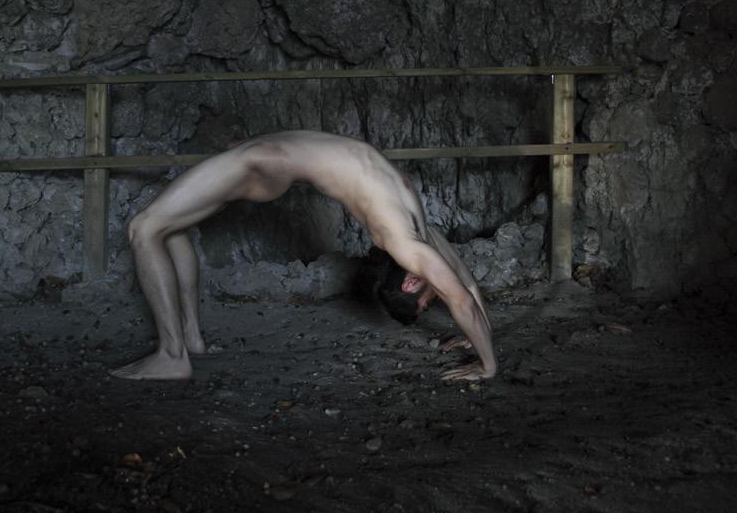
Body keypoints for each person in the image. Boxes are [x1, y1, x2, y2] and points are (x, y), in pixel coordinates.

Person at [112, 130, 496, 382]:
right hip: (266, 155)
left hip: (261, 160)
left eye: (430, 300)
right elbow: (464, 288)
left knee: (143, 228)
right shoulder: (418, 236)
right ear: (412, 281)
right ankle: (190, 341)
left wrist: (486, 363)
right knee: (169, 228)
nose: (438, 295)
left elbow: (460, 297)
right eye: (431, 300)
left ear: (410, 279)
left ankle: (172, 355)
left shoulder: (407, 236)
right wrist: (481, 349)